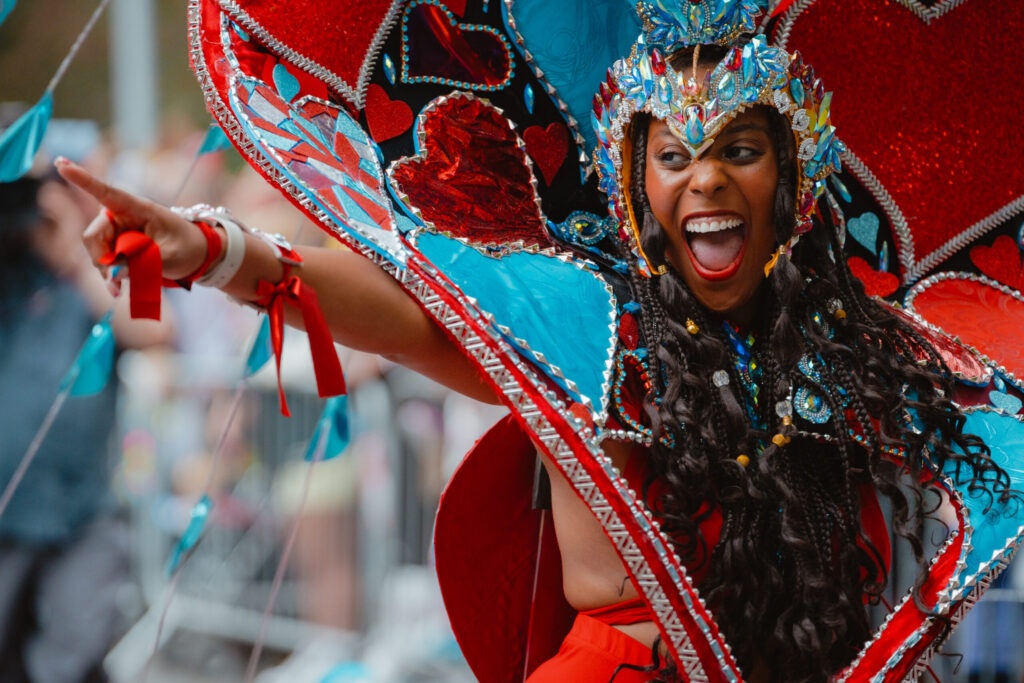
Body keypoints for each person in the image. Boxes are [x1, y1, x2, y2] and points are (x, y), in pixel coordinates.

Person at [55, 1, 1022, 680]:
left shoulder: (868, 354)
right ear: (639, 185)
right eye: (675, 156)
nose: (708, 182)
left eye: (738, 150)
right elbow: (413, 312)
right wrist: (211, 248)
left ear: (791, 178)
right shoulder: (586, 314)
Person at [0, 168, 172, 682]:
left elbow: (153, 329)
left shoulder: (96, 268)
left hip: (82, 508)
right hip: (7, 509)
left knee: (71, 658)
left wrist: (74, 257)